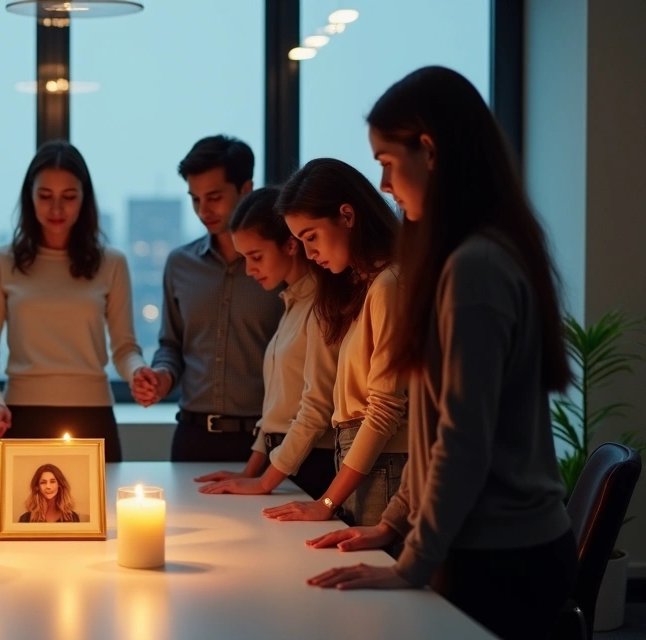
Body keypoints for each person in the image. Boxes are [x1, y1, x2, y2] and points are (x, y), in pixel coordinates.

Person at [304, 66, 577, 640]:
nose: (383, 185)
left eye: (385, 163)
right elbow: (432, 439)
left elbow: (462, 441)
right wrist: (393, 525)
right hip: (490, 545)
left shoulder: (475, 267)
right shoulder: (473, 256)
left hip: (501, 555)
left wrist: (413, 563)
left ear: (427, 151)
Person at [0, 141, 145, 463]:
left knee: (103, 513)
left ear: (84, 199)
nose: (56, 209)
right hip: (18, 416)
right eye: (45, 196)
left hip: (92, 416)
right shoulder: (1, 261)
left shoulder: (112, 263)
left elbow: (124, 349)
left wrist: (138, 373)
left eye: (68, 197)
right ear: (29, 196)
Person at [261, 158, 406, 527]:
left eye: (311, 237)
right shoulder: (363, 286)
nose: (309, 254)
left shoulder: (389, 285)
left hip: (382, 462)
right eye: (300, 241)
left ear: (347, 215)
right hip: (362, 458)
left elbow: (385, 408)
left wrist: (326, 501)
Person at [131, 135, 284, 462]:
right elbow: (171, 345)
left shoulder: (279, 267)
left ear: (246, 189)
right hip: (192, 438)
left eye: (214, 197)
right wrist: (161, 377)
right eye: (195, 199)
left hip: (267, 442)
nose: (204, 210)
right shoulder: (179, 264)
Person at [195, 187, 338, 500]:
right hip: (283, 464)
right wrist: (250, 472)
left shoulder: (320, 305)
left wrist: (263, 482)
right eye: (244, 258)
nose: (249, 270)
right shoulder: (292, 304)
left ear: (290, 245)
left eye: (256, 256)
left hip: (311, 464)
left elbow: (316, 410)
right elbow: (276, 409)